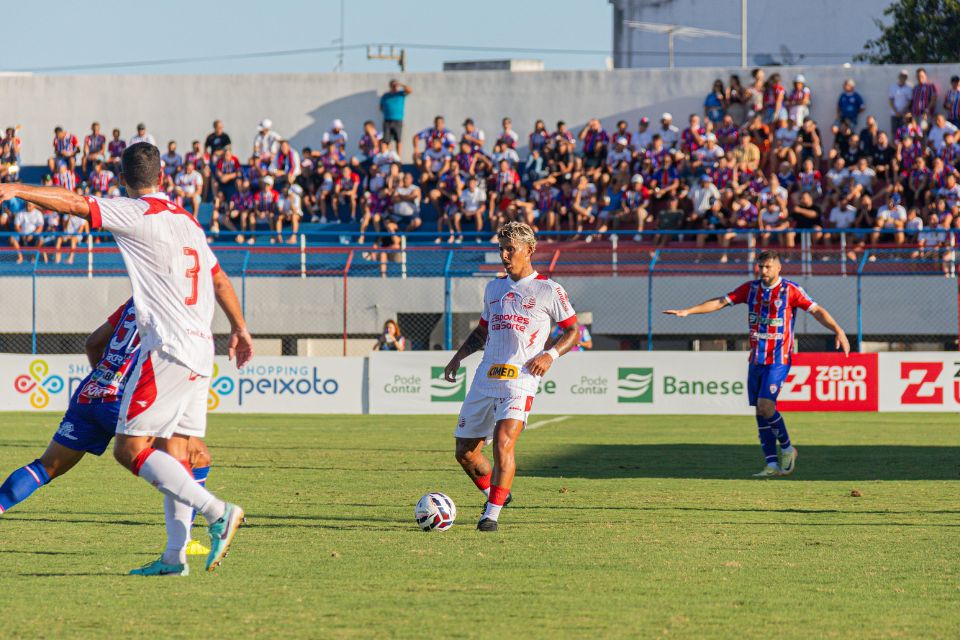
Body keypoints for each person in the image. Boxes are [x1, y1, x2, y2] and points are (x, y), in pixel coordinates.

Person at [0, 142, 253, 575]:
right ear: (163, 177)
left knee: (129, 449)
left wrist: (17, 188)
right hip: (201, 347)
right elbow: (220, 280)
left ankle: (217, 512)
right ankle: (174, 557)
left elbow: (76, 204)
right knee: (177, 451)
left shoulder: (136, 213)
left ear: (122, 180)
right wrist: (240, 328)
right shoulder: (189, 221)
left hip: (168, 347)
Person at [0, 299, 213, 559]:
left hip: (91, 393)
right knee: (194, 455)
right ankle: (189, 535)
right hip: (127, 401)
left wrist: (106, 380)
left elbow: (93, 342)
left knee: (45, 467)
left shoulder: (135, 301)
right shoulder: (174, 304)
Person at [663, 250, 850, 477]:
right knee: (760, 412)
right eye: (761, 267)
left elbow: (816, 310)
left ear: (779, 268)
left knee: (765, 406)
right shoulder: (750, 289)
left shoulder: (790, 290)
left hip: (778, 359)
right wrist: (688, 311)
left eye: (768, 267)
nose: (763, 271)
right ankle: (771, 464)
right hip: (756, 359)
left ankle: (788, 448)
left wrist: (838, 330)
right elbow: (720, 302)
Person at [445, 222, 579, 532]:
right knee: (465, 452)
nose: (504, 255)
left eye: (511, 249)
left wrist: (550, 354)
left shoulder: (549, 289)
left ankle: (490, 516)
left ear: (529, 250)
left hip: (521, 378)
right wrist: (457, 357)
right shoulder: (494, 288)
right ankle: (497, 495)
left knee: (503, 443)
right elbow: (483, 331)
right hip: (485, 376)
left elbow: (573, 331)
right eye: (501, 249)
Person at [380, 79, 412, 157]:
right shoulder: (385, 95)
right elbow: (381, 107)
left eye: (396, 85)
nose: (394, 87)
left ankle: (398, 157)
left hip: (398, 120)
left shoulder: (401, 94)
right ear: (390, 86)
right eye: (393, 85)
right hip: (387, 120)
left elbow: (410, 90)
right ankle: (387, 156)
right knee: (386, 140)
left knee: (398, 139)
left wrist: (400, 84)